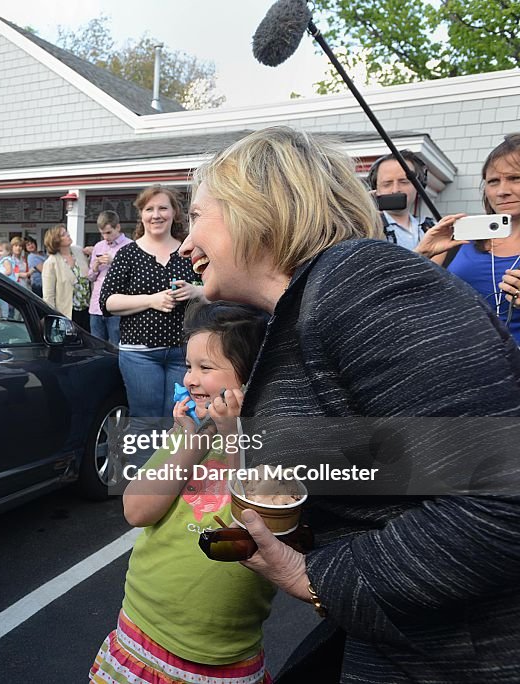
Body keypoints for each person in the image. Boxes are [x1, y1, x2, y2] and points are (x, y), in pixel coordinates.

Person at [179, 126, 520, 684]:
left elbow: (501, 495)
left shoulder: (361, 280)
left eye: (197, 216)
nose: (187, 244)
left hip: (464, 653)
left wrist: (312, 577)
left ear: (257, 206)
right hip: (406, 638)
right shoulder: (313, 298)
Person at [91, 301, 275, 684]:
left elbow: (255, 523)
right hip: (141, 630)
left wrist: (232, 438)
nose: (190, 379)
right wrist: (192, 441)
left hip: (223, 652)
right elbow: (137, 511)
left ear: (253, 377)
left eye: (205, 368)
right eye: (188, 365)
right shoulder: (191, 432)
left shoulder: (273, 445)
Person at [101, 186, 201, 428]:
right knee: (145, 421)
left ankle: (173, 466)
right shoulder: (128, 254)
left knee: (179, 419)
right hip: (139, 354)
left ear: (174, 213)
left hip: (183, 353)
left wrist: (196, 291)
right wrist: (151, 299)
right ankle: (142, 467)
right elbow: (108, 301)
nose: (156, 215)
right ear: (142, 215)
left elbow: (218, 291)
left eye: (163, 208)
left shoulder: (189, 252)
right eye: (149, 209)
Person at [429, 134, 520, 346]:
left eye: (516, 178)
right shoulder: (460, 239)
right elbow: (411, 296)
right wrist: (423, 253)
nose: (502, 191)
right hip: (462, 365)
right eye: (493, 181)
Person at [367, 150, 435, 250]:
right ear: (375, 190)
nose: (395, 190)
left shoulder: (431, 228)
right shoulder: (366, 228)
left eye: (404, 182)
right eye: (387, 184)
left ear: (419, 186)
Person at [87, 210, 132, 345]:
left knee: (116, 345)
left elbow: (134, 275)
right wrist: (94, 267)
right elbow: (90, 277)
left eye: (108, 232)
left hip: (117, 305)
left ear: (117, 227)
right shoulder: (98, 246)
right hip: (96, 305)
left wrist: (115, 262)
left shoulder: (130, 245)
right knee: (96, 346)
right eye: (102, 233)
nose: (105, 237)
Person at [42, 223, 91, 330]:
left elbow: (90, 275)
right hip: (68, 312)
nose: (68, 235)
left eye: (66, 232)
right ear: (56, 241)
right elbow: (48, 295)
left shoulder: (78, 251)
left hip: (87, 309)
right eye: (63, 234)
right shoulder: (51, 262)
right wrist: (52, 317)